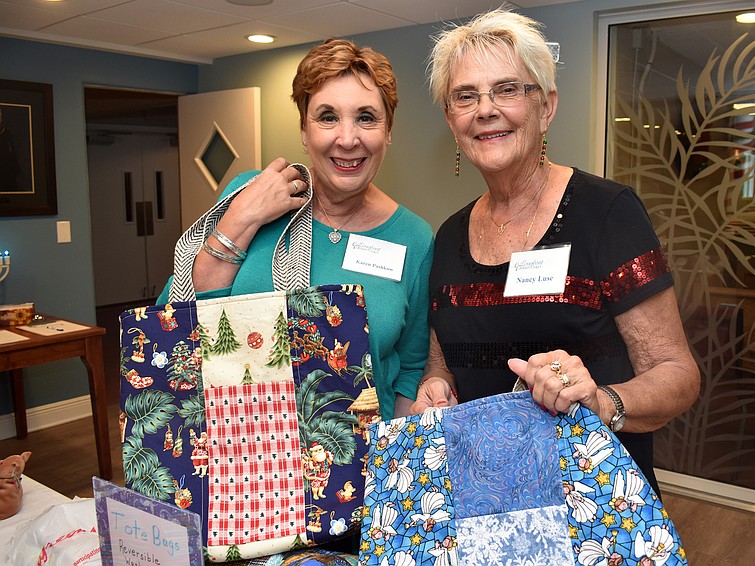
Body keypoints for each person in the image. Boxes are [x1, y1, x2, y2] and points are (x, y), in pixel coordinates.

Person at [411, 9, 699, 491]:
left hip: (591, 507)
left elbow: (678, 373)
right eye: (466, 96)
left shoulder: (608, 213)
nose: (485, 109)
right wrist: (434, 388)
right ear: (451, 119)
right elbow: (442, 364)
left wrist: (602, 400)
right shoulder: (447, 236)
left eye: (507, 89)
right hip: (483, 500)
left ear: (546, 107)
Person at [158, 39, 434, 420]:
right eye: (327, 116)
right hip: (238, 443)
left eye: (366, 117)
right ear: (304, 130)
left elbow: (410, 366)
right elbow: (179, 315)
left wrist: (397, 456)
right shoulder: (250, 193)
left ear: (388, 131)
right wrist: (243, 217)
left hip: (359, 460)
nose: (348, 138)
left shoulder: (414, 238)